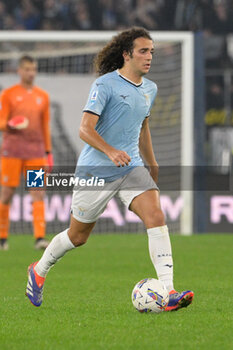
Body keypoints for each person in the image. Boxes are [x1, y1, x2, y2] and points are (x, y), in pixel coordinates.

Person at [26, 27, 194, 311]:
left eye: (151, 51)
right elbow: (84, 129)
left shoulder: (150, 89)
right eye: (143, 51)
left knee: (156, 215)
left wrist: (151, 161)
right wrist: (110, 151)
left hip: (131, 167)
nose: (149, 56)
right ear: (126, 54)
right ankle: (39, 269)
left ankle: (168, 292)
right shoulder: (105, 85)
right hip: (96, 170)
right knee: (78, 237)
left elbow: (143, 126)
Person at [0, 55, 53, 250]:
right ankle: (2, 238)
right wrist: (10, 125)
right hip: (12, 152)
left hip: (35, 153)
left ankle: (40, 238)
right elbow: (1, 121)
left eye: (34, 69)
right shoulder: (8, 94)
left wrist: (48, 153)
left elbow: (45, 126)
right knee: (6, 194)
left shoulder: (43, 96)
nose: (31, 73)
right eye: (28, 69)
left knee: (38, 194)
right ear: (19, 71)